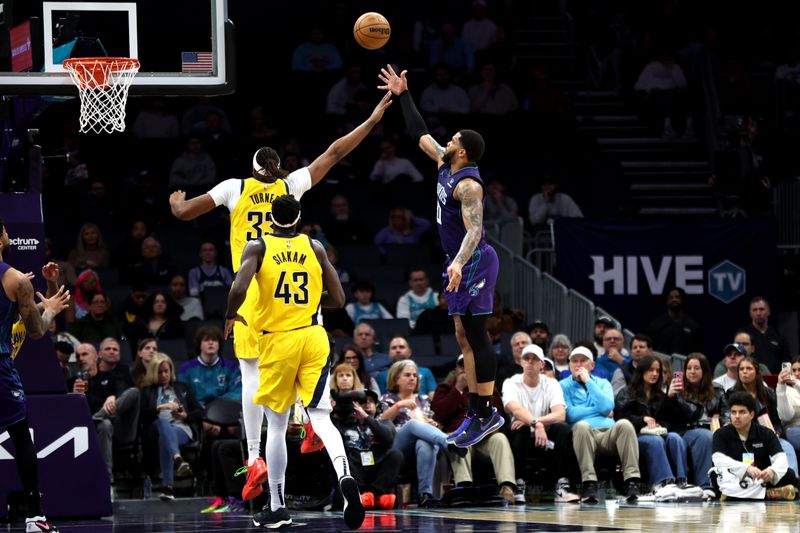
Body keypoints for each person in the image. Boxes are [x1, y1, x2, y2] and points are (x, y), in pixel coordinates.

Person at [170, 93, 390, 501]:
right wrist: (374, 117)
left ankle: (254, 458)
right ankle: (310, 423)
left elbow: (184, 215)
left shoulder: (233, 187)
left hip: (254, 293)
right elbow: (335, 152)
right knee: (308, 363)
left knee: (253, 381)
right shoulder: (292, 188)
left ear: (252, 169)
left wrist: (177, 202)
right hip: (298, 300)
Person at [379, 64, 503, 448]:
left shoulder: (468, 185)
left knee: (477, 333)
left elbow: (476, 231)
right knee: (462, 336)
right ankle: (478, 412)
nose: (444, 140)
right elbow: (420, 134)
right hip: (458, 260)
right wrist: (404, 95)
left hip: (475, 260)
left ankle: (485, 411)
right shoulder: (444, 163)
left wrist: (458, 263)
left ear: (462, 150)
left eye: (452, 139)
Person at [223, 195, 365, 529]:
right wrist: (311, 301)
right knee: (321, 417)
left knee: (275, 425)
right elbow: (340, 298)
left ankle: (277, 506)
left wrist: (230, 316)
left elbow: (238, 288)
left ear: (270, 218)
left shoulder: (257, 246)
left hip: (278, 340)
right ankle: (345, 476)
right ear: (300, 217)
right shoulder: (315, 246)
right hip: (314, 336)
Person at [0, 233, 70, 533]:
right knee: (20, 437)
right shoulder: (15, 281)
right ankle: (35, 517)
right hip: (1, 370)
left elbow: (26, 316)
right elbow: (38, 330)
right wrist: (51, 309)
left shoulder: (17, 284)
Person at [560, 346, 641, 503]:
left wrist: (588, 381)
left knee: (624, 424)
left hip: (608, 435)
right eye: (574, 361)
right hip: (582, 436)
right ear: (569, 365)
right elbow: (570, 415)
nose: (578, 365)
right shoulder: (562, 385)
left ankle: (632, 481)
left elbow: (607, 407)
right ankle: (589, 484)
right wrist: (598, 411)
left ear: (592, 365)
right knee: (582, 425)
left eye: (583, 361)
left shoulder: (603, 383)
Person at [433, 354, 518, 504]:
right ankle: (463, 488)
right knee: (459, 439)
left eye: (470, 366)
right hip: (459, 437)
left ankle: (507, 487)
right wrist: (458, 389)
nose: (466, 369)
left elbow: (499, 413)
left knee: (500, 439)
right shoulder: (445, 388)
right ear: (456, 369)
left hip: (484, 438)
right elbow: (439, 414)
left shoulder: (487, 389)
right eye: (462, 365)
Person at [501, 345, 580, 503]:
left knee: (562, 429)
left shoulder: (551, 384)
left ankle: (561, 487)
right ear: (521, 363)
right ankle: (519, 485)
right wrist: (535, 424)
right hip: (521, 438)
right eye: (526, 358)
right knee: (519, 428)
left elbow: (560, 414)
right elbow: (515, 409)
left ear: (542, 364)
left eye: (534, 359)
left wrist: (537, 423)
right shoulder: (511, 383)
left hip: (546, 439)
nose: (530, 362)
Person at [379, 360, 456, 508]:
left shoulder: (425, 400)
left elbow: (429, 422)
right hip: (397, 446)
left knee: (425, 442)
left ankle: (425, 495)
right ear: (396, 378)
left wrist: (433, 424)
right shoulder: (387, 398)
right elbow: (380, 422)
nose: (412, 378)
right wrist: (399, 405)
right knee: (413, 424)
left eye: (415, 375)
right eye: (407, 375)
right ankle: (449, 442)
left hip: (421, 448)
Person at [614, 355, 693, 495]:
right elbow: (621, 418)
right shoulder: (627, 393)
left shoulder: (660, 395)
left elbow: (670, 420)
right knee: (655, 441)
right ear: (642, 371)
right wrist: (642, 419)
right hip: (634, 436)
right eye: (651, 370)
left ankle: (681, 481)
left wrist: (660, 422)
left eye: (658, 370)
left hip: (656, 433)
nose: (655, 374)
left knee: (675, 437)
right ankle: (662, 482)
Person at [709, 391, 798, 500]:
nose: (737, 416)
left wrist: (771, 471)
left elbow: (780, 457)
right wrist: (745, 468)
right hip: (735, 475)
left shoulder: (766, 433)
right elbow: (718, 459)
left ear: (751, 414)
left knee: (789, 474)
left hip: (760, 476)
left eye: (742, 412)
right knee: (716, 476)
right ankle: (767, 494)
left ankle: (737, 496)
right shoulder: (721, 433)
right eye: (733, 412)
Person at [139, 353, 204, 501]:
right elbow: (142, 416)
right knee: (163, 425)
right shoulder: (148, 391)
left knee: (166, 437)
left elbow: (200, 412)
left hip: (181, 429)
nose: (164, 375)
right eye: (160, 372)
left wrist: (185, 416)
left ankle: (168, 486)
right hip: (155, 428)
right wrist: (160, 407)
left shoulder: (182, 387)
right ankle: (178, 460)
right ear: (154, 373)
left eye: (166, 371)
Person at [332, 387, 401, 511]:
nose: (366, 404)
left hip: (375, 468)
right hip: (354, 469)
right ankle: (363, 496)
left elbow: (389, 440)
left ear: (377, 405)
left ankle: (373, 495)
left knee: (395, 455)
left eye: (370, 401)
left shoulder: (384, 422)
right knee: (342, 457)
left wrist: (366, 418)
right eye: (360, 402)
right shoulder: (341, 423)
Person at [677, 353, 728, 495]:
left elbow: (726, 415)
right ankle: (706, 486)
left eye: (696, 368)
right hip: (687, 431)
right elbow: (686, 416)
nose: (692, 371)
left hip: (714, 430)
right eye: (689, 368)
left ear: (704, 370)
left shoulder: (717, 389)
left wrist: (723, 426)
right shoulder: (679, 391)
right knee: (705, 436)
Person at [645, 287, 703, 356]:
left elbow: (699, 352)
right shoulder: (656, 325)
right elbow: (649, 349)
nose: (674, 299)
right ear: (666, 301)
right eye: (671, 297)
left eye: (677, 297)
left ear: (682, 300)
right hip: (662, 365)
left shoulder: (693, 326)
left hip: (686, 365)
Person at [742, 296, 789, 373]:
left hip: (776, 380)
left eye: (761, 309)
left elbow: (786, 360)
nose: (758, 313)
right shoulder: (744, 335)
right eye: (755, 310)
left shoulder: (778, 335)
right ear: (750, 313)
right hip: (752, 380)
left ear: (768, 311)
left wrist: (784, 376)